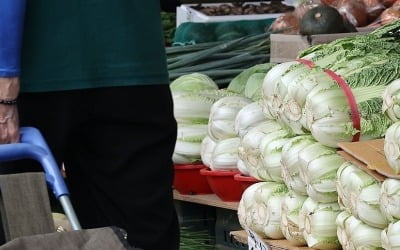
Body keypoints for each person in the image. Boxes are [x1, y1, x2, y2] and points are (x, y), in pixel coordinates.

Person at [0, 1, 179, 249]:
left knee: (17, 224)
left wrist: (4, 80)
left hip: (32, 71)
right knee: (137, 233)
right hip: (131, 56)